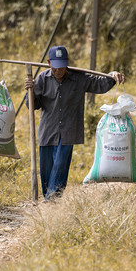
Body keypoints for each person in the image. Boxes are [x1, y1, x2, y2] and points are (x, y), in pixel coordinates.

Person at [25, 45, 125, 201]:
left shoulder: (79, 78)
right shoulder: (42, 79)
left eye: (62, 67)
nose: (59, 71)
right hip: (48, 131)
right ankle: (49, 197)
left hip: (68, 131)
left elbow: (100, 84)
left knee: (60, 166)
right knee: (46, 169)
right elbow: (33, 105)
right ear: (48, 62)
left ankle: (53, 200)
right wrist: (30, 91)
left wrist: (112, 75)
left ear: (67, 62)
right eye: (55, 67)